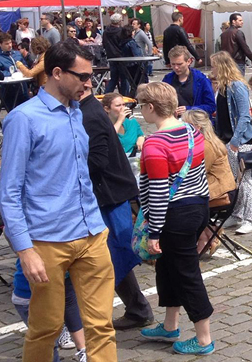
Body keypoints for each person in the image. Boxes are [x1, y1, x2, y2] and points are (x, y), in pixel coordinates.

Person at [0, 41, 117, 361]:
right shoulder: (24, 119)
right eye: (82, 76)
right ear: (56, 73)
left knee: (102, 327)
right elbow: (9, 192)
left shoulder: (76, 111)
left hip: (91, 232)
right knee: (46, 328)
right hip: (48, 239)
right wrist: (25, 250)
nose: (89, 83)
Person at [135, 81, 215, 355]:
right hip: (198, 206)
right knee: (168, 267)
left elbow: (157, 192)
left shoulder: (155, 144)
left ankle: (204, 338)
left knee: (186, 273)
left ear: (150, 107)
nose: (140, 111)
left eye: (140, 105)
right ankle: (170, 325)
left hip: (174, 215)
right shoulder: (193, 131)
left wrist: (154, 232)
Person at [78, 84, 154, 332]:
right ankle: (137, 308)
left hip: (110, 197)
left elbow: (97, 160)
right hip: (109, 195)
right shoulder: (87, 112)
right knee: (113, 255)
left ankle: (138, 309)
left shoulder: (89, 115)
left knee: (115, 254)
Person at [211, 51, 252, 235]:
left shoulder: (237, 86)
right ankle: (237, 214)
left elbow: (245, 115)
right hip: (226, 139)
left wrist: (235, 141)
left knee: (245, 180)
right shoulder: (223, 87)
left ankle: (251, 219)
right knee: (234, 180)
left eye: (214, 65)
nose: (212, 69)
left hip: (239, 141)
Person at [182, 109, 236, 255]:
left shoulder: (206, 146)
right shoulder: (209, 140)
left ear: (196, 127)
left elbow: (194, 172)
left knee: (184, 204)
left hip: (221, 192)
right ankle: (209, 233)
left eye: (185, 125)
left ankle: (205, 236)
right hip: (220, 186)